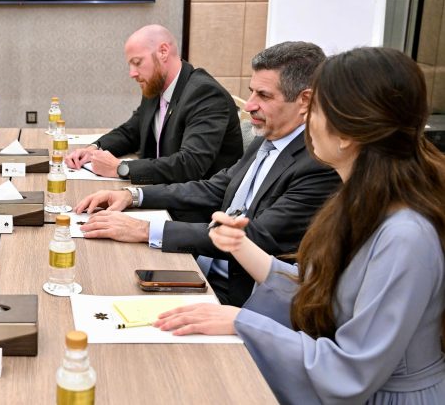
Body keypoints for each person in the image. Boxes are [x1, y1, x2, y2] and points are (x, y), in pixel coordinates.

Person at [156, 47, 445, 403]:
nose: (306, 119)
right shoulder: (359, 200)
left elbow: (352, 371)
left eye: (316, 109)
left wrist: (242, 323)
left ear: (346, 134)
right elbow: (322, 292)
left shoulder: (405, 237)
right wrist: (240, 246)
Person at [75, 42, 341, 306]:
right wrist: (133, 195)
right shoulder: (269, 137)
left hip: (240, 297)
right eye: (251, 92)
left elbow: (255, 237)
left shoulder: (318, 164)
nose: (249, 106)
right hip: (204, 267)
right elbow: (216, 188)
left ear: (304, 100)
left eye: (264, 96)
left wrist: (144, 230)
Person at [64, 24, 243, 184]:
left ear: (163, 52)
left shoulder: (204, 94)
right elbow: (131, 132)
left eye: (137, 63)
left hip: (195, 203)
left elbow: (190, 165)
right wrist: (94, 149)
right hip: (161, 190)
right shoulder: (156, 86)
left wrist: (120, 168)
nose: (132, 73)